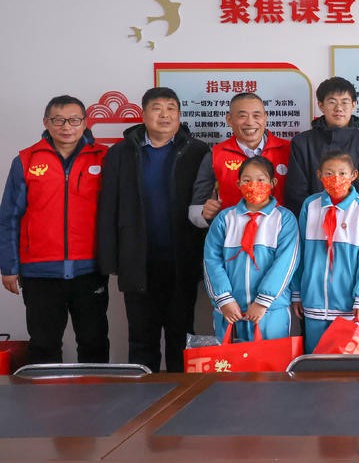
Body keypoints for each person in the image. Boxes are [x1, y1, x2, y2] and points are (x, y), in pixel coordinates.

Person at [97, 87, 210, 372]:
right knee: (141, 340)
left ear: (179, 114)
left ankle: (180, 396)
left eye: (171, 108)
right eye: (157, 108)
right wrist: (110, 260)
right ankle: (142, 396)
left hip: (181, 260)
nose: (165, 115)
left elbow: (205, 206)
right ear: (143, 114)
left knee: (181, 337)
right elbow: (108, 206)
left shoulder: (197, 151)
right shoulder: (121, 153)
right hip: (137, 261)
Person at [0, 95, 110, 364]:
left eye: (74, 120)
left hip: (90, 269)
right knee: (44, 345)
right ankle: (46, 393)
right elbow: (9, 217)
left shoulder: (104, 157)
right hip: (39, 272)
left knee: (94, 342)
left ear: (85, 122)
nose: (66, 127)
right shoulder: (26, 160)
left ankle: (98, 392)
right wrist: (9, 266)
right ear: (46, 123)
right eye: (58, 120)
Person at [290, 150, 359, 353]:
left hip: (348, 303)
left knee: (344, 363)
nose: (336, 178)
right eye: (329, 173)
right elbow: (299, 251)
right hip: (313, 300)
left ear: (354, 175)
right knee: (314, 357)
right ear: (319, 175)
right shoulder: (310, 205)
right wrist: (297, 293)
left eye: (342, 173)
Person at [203, 156, 299, 343]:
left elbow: (286, 263)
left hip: (270, 312)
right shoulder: (225, 219)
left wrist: (263, 301)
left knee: (271, 360)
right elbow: (211, 261)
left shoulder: (284, 219)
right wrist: (224, 300)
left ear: (273, 183)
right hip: (230, 312)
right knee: (229, 360)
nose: (253, 185)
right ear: (238, 184)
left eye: (261, 179)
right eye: (247, 180)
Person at [189, 92, 290, 229]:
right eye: (242, 116)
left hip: (282, 233)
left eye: (256, 115)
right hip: (232, 234)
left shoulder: (289, 150)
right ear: (229, 120)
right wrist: (205, 213)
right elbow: (196, 208)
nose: (250, 122)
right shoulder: (215, 155)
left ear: (265, 118)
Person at [284, 77, 359, 218]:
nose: (339, 108)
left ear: (354, 104)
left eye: (345, 102)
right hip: (313, 221)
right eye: (332, 102)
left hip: (355, 222)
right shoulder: (302, 143)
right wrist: (317, 218)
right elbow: (296, 191)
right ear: (321, 105)